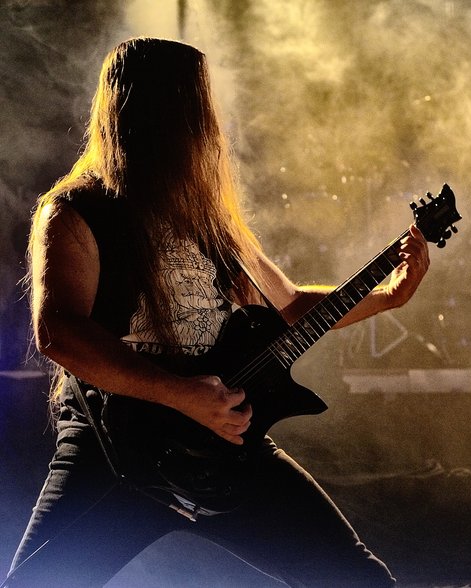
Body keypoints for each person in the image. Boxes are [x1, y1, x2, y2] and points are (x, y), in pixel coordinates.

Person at [5, 37, 430, 587]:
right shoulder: (75, 209)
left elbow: (290, 305)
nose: (211, 125)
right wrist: (181, 394)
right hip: (114, 450)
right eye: (197, 103)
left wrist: (388, 295)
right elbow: (60, 333)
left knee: (355, 578)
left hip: (223, 443)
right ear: (165, 111)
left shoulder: (208, 218)